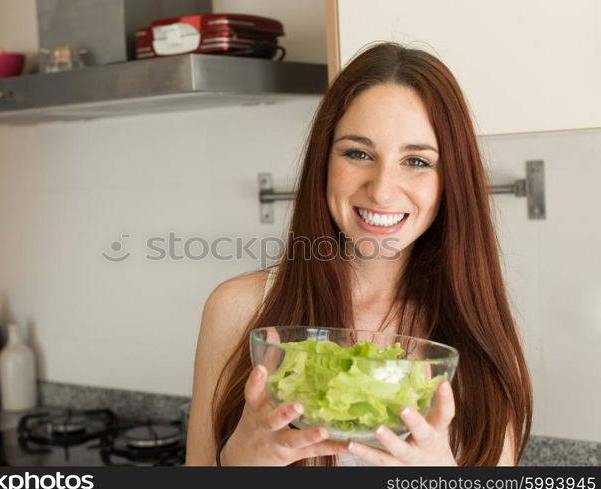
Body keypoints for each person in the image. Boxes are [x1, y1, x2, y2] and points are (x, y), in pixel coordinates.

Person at [185, 41, 533, 466]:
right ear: (323, 161)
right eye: (358, 153)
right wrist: (238, 464)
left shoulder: (481, 326)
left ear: (450, 181)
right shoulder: (239, 309)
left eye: (418, 161)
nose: (382, 189)